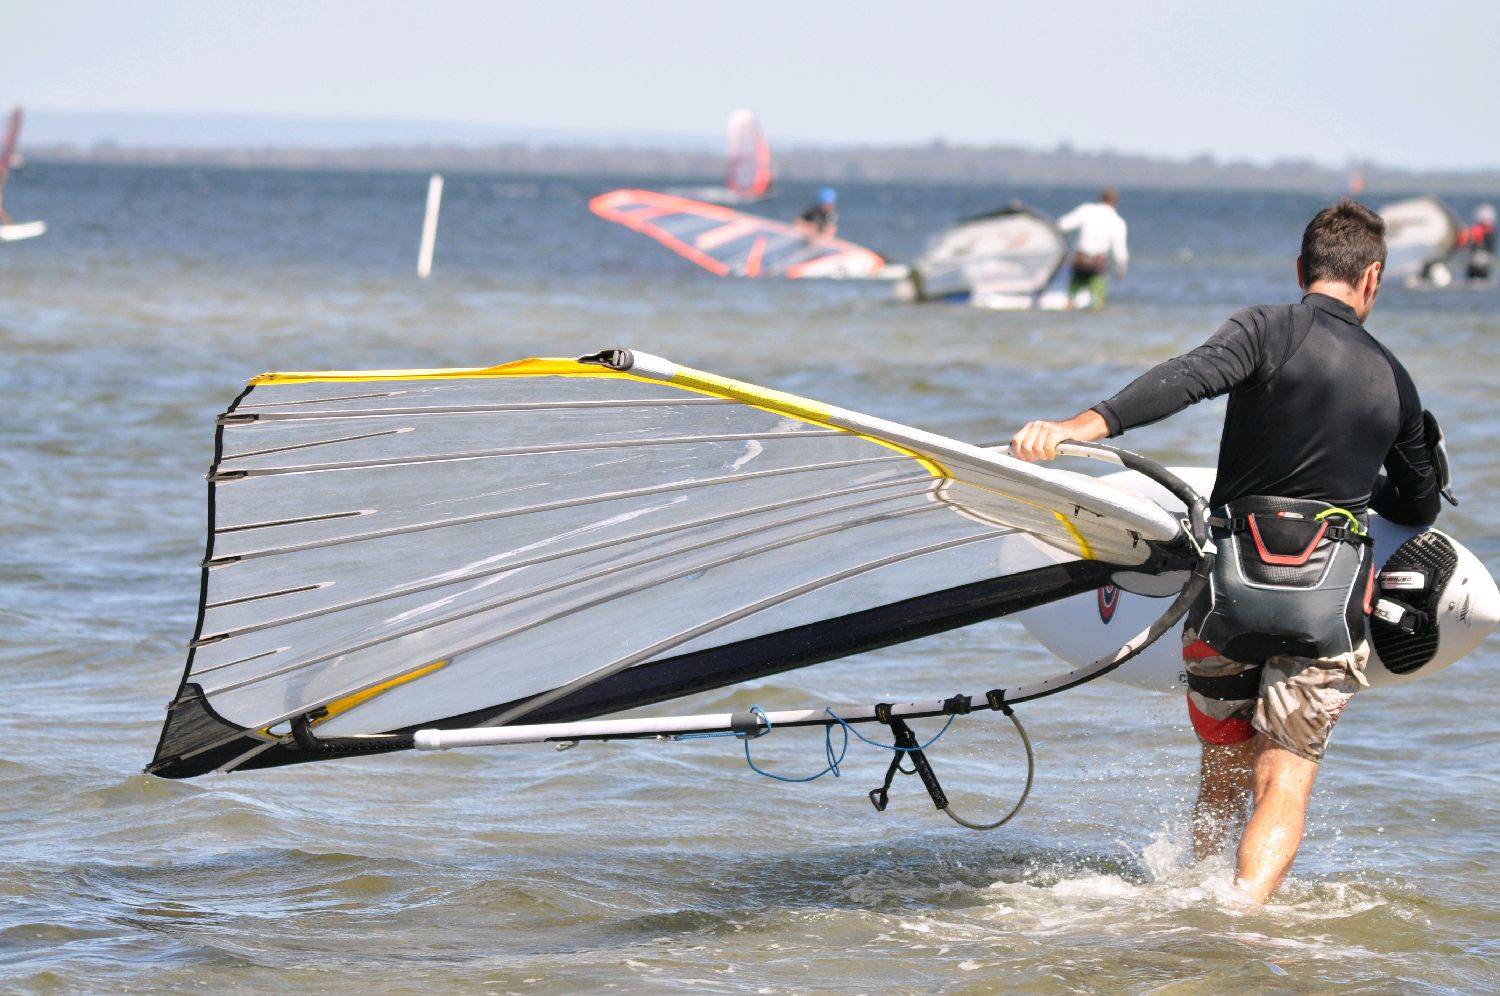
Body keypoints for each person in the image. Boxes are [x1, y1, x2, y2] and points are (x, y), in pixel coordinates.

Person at [1008, 201, 1442, 903]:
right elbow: (1418, 505)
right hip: (1326, 609)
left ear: (1302, 270)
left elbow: (1185, 379)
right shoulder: (1396, 383)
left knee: (1223, 767)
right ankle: (1241, 912)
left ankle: (1193, 894)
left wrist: (1074, 429)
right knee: (1285, 774)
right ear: (1374, 278)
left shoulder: (1266, 329)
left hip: (1230, 596)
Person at [1057, 187, 1129, 308]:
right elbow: (1120, 252)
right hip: (1097, 265)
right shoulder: (1118, 222)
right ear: (1115, 202)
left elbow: (1062, 225)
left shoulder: (1086, 210)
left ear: (1100, 198)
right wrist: (1121, 270)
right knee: (1098, 304)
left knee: (1070, 301)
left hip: (1079, 262)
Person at [1456, 203, 1495, 282]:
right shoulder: (1485, 230)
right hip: (1479, 260)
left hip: (1479, 260)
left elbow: (1465, 242)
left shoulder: (1481, 230)